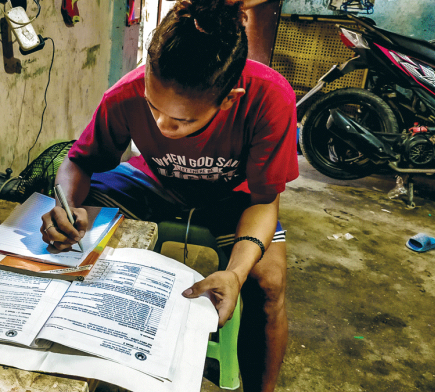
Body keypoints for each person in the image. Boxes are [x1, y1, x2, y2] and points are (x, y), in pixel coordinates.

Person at [39, 0, 298, 390]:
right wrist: (66, 206)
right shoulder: (125, 94)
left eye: (183, 120)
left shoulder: (270, 98)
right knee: (71, 238)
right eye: (153, 106)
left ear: (229, 99)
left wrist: (235, 273)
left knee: (268, 284)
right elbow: (79, 162)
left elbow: (264, 199)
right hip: (153, 183)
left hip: (234, 197)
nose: (162, 126)